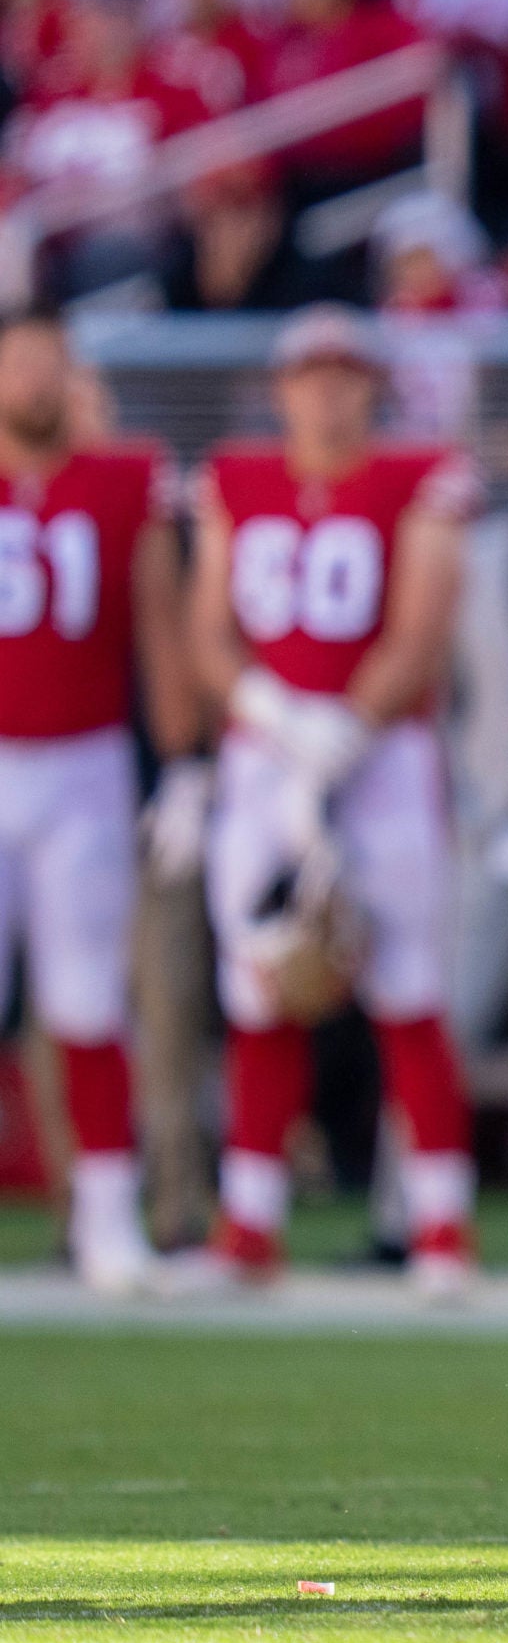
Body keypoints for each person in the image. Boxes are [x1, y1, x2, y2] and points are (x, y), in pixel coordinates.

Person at [188, 304, 482, 1296]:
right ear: (282, 390)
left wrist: (345, 731)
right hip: (264, 755)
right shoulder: (235, 480)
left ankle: (442, 1224)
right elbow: (207, 630)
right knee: (262, 979)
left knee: (409, 988)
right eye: (310, 376)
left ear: (372, 386)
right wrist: (270, 712)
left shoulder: (418, 477)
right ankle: (249, 1224)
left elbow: (421, 628)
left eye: (345, 375)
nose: (326, 393)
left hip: (382, 755)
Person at [0, 306, 198, 1293]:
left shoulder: (124, 481)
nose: (35, 381)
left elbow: (161, 629)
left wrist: (185, 764)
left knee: (87, 1001)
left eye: (50, 363)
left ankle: (111, 1217)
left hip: (85, 763)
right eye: (19, 363)